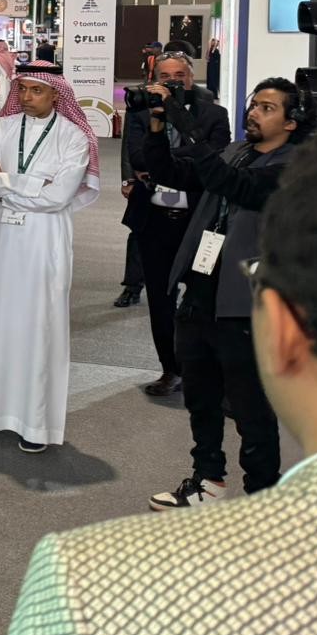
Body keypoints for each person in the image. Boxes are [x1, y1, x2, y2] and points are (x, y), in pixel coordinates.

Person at [0, 126, 317, 635]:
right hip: (200, 298)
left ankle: (252, 489)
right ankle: (209, 478)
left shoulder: (87, 584)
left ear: (282, 331)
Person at [140, 77, 308, 509]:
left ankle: (262, 498)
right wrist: (158, 128)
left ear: (291, 122)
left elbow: (238, 187)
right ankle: (208, 481)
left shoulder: (295, 167)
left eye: (268, 108)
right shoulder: (236, 151)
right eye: (254, 105)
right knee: (201, 398)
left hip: (247, 303)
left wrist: (186, 124)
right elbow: (172, 173)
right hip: (201, 293)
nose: (254, 113)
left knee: (250, 409)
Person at [0, 62, 99, 452]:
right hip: (1, 239)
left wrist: (5, 182)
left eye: (36, 90)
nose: (27, 97)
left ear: (56, 94)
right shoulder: (0, 128)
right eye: (23, 89)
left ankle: (35, 423)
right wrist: (31, 184)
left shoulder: (73, 137)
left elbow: (59, 196)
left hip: (44, 244)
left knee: (38, 325)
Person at [121, 51, 230, 395]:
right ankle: (171, 369)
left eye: (179, 76)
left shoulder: (214, 114)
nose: (171, 82)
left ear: (191, 77)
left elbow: (215, 156)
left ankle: (203, 369)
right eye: (164, 76)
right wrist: (185, 157)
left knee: (202, 298)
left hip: (200, 224)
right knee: (160, 300)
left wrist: (165, 157)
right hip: (154, 222)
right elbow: (137, 156)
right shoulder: (141, 110)